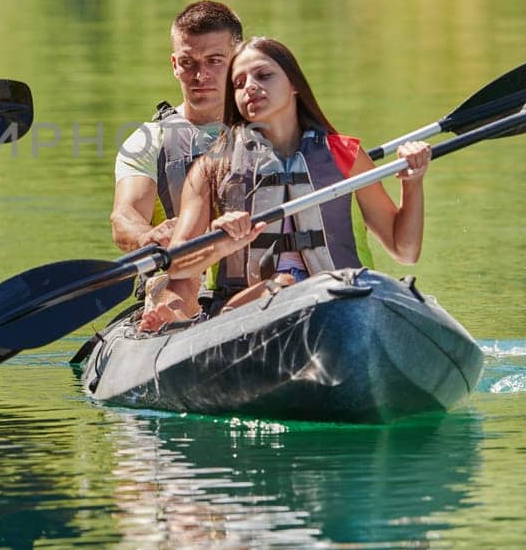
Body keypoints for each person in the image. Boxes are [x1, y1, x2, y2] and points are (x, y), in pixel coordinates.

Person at [140, 36, 432, 332]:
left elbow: (404, 251)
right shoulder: (211, 168)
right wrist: (221, 243)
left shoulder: (346, 155)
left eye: (264, 75)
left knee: (295, 288)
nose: (250, 87)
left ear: (294, 85)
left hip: (344, 302)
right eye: (239, 84)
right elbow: (177, 264)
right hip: (245, 313)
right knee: (281, 286)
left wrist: (413, 183)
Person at [111, 1, 242, 312]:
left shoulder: (272, 129)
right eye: (188, 62)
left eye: (214, 60)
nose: (200, 75)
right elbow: (124, 216)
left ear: (238, 60)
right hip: (177, 291)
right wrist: (148, 236)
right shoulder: (146, 140)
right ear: (173, 64)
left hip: (254, 290)